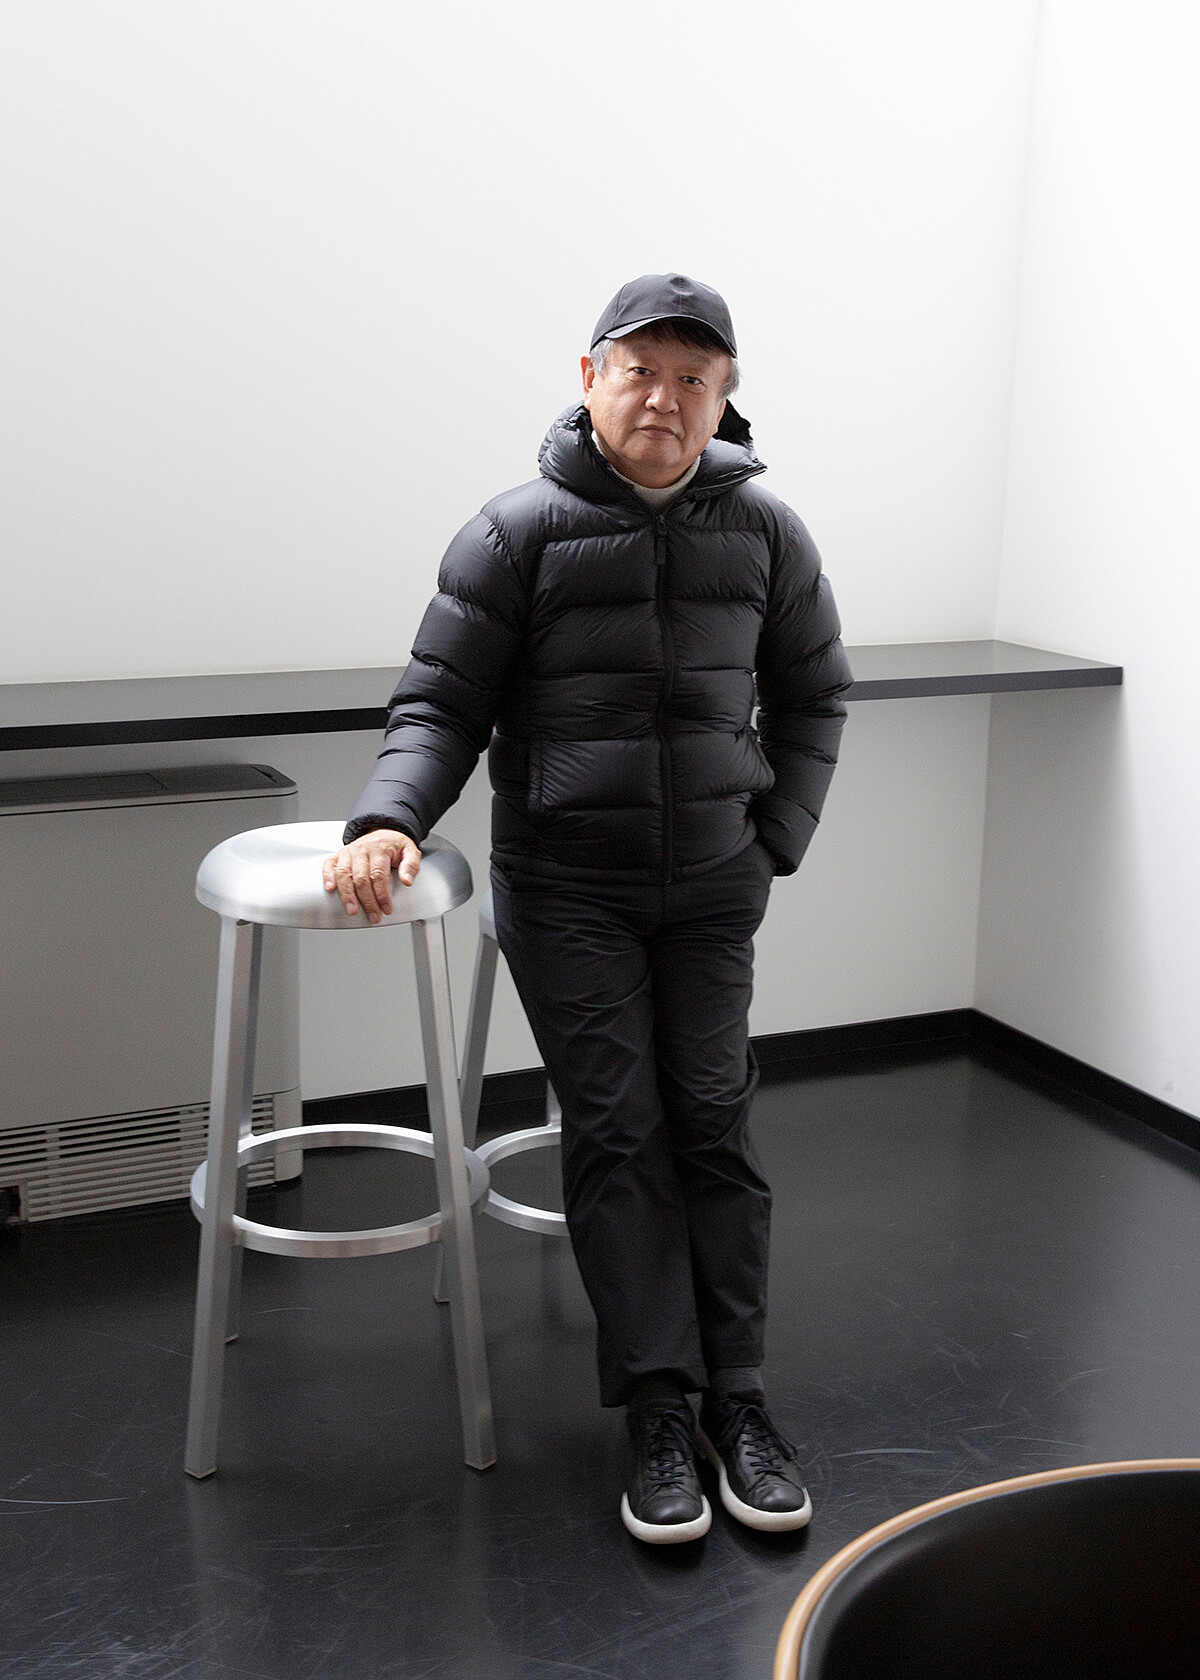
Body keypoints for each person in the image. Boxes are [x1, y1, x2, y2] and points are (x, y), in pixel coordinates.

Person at [324, 274, 851, 1543]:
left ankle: (738, 1397)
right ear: (589, 378)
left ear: (724, 401)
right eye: (641, 370)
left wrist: (772, 838)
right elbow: (440, 701)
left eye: (693, 379)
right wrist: (391, 817)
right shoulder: (514, 535)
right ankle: (658, 1406)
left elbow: (815, 693)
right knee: (619, 1126)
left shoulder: (769, 533)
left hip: (712, 888)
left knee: (714, 1115)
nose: (664, 397)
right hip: (570, 891)